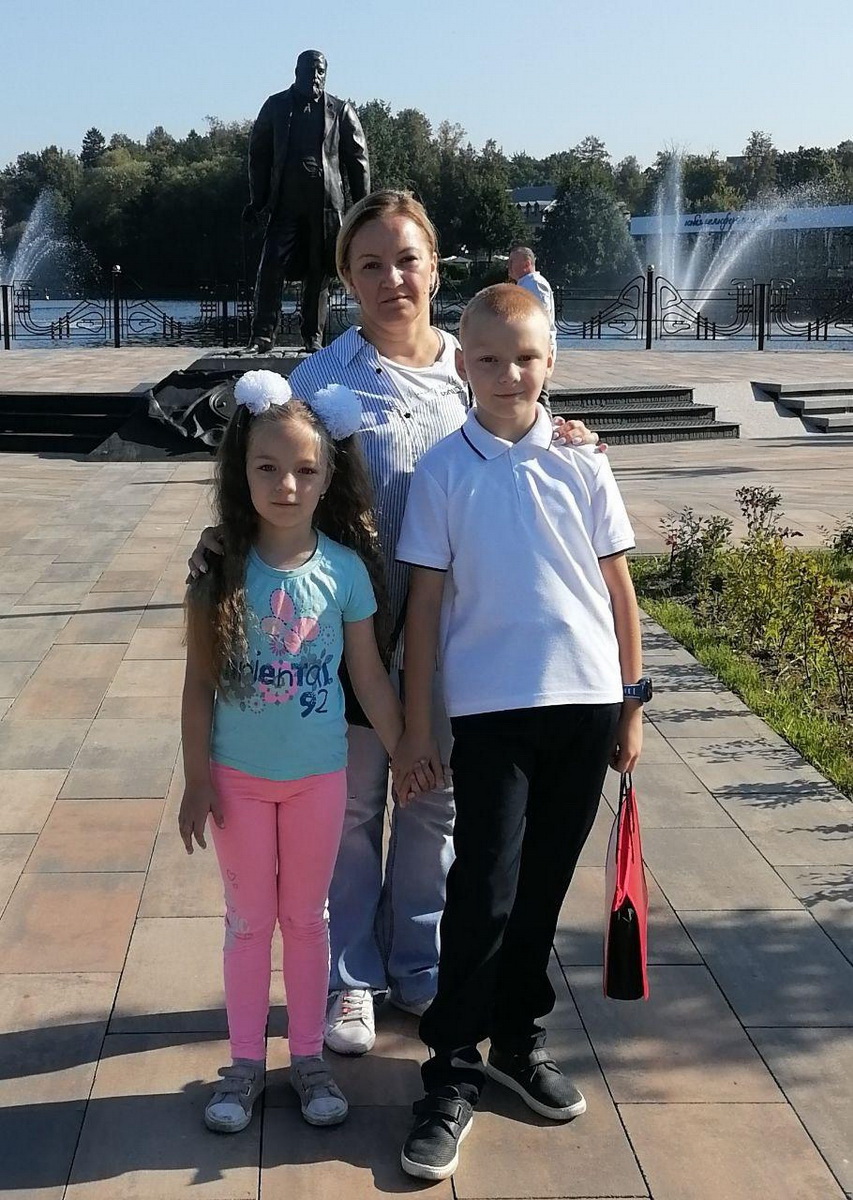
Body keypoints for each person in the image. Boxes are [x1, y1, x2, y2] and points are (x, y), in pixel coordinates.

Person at [187, 191, 601, 1062]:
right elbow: (277, 472)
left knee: (432, 803)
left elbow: (522, 424)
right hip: (350, 635)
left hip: (457, 638)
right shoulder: (321, 380)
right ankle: (351, 974)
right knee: (350, 808)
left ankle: (418, 961)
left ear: (434, 267)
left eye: (407, 260)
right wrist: (226, 538)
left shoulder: (472, 365)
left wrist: (570, 434)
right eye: (369, 264)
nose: (391, 280)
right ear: (346, 276)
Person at [392, 284, 645, 1181]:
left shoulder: (583, 460)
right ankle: (450, 1071)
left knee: (541, 888)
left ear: (551, 363)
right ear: (462, 365)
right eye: (490, 360)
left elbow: (617, 590)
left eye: (526, 358)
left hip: (584, 703)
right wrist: (417, 727)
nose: (509, 375)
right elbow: (425, 607)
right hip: (489, 711)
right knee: (484, 889)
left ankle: (517, 1041)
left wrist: (631, 703)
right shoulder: (442, 471)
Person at [179, 368, 408, 1134]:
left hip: (317, 781)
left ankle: (307, 1057)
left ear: (328, 476)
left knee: (307, 920)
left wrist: (404, 753)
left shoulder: (344, 571)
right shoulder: (219, 570)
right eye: (267, 468)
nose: (286, 485)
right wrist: (196, 780)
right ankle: (245, 1064)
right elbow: (198, 685)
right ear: (240, 470)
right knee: (248, 922)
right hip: (237, 783)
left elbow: (367, 677)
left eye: (305, 470)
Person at [245, 50, 370, 353]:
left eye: (320, 71)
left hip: (325, 205)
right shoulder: (276, 106)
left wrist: (363, 208)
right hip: (285, 203)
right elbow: (258, 155)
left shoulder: (340, 111)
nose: (315, 77)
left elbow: (358, 160)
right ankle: (262, 335)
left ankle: (313, 337)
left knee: (319, 271)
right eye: (309, 70)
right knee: (271, 264)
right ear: (296, 71)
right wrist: (258, 199)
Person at [508, 245, 556, 361]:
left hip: (536, 346)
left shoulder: (534, 283)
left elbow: (541, 317)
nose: (508, 266)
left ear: (527, 264)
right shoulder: (527, 284)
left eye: (512, 262)